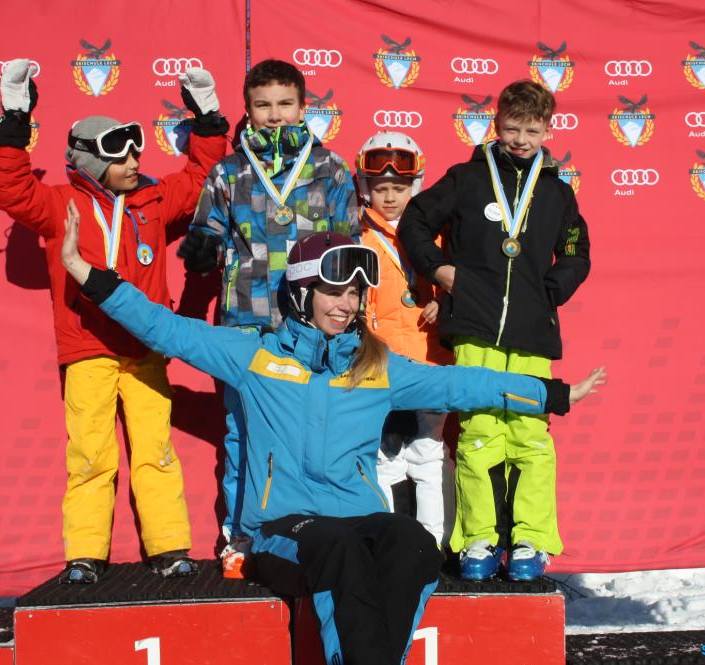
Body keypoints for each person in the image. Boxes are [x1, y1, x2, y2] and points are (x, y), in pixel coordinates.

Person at [61, 217, 604, 665]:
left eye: (354, 293)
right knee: (339, 551)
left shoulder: (375, 367)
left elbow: (459, 384)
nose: (346, 304)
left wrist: (550, 393)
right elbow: (164, 328)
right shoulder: (254, 357)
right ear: (302, 292)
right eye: (333, 291)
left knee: (414, 542)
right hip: (281, 530)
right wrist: (87, 273)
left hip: (358, 518)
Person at [0, 59, 229, 583]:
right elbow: (12, 193)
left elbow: (202, 179)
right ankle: (85, 555)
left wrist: (208, 121)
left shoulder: (153, 200)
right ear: (89, 161)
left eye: (136, 151)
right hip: (87, 351)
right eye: (120, 154)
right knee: (90, 456)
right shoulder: (61, 205)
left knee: (156, 452)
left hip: (145, 351)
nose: (134, 161)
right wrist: (14, 122)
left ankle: (169, 548)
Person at [398, 79, 591, 581]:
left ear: (548, 130)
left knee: (530, 436)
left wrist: (549, 293)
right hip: (475, 326)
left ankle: (532, 539)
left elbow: (577, 252)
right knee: (480, 433)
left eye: (532, 131)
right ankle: (478, 539)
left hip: (531, 334)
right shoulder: (466, 178)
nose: (521, 140)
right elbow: (415, 221)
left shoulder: (557, 192)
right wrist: (439, 270)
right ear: (496, 124)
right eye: (512, 129)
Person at [176, 58, 358, 577]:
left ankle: (310, 533)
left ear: (303, 107)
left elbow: (349, 243)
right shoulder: (229, 171)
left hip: (310, 327)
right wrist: (203, 246)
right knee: (243, 434)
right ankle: (241, 536)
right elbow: (209, 228)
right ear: (248, 110)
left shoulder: (330, 168)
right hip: (246, 323)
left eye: (284, 104)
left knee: (314, 435)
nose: (274, 115)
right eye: (262, 105)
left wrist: (348, 317)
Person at [355, 131, 455, 548]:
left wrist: (443, 303)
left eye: (399, 188)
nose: (390, 197)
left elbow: (460, 280)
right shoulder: (359, 235)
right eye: (381, 188)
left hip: (430, 359)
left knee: (428, 453)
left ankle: (433, 544)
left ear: (416, 186)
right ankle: (391, 544)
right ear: (366, 188)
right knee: (385, 457)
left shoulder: (437, 234)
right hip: (382, 365)